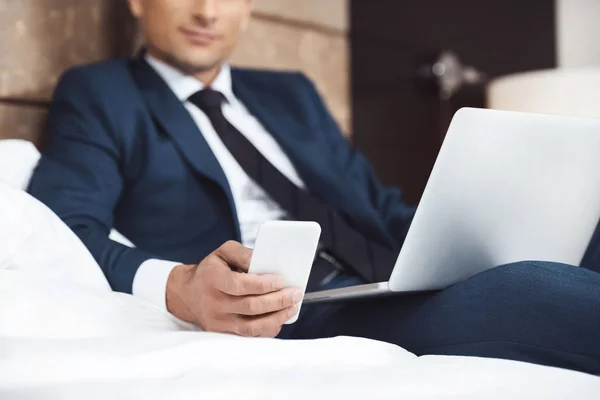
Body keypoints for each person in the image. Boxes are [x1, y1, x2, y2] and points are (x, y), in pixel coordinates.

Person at [28, 0, 600, 374]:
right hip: (291, 305)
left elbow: (374, 205)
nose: (206, 11)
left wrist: (477, 233)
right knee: (524, 288)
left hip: (386, 275)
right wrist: (180, 286)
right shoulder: (103, 92)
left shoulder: (290, 93)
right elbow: (62, 232)